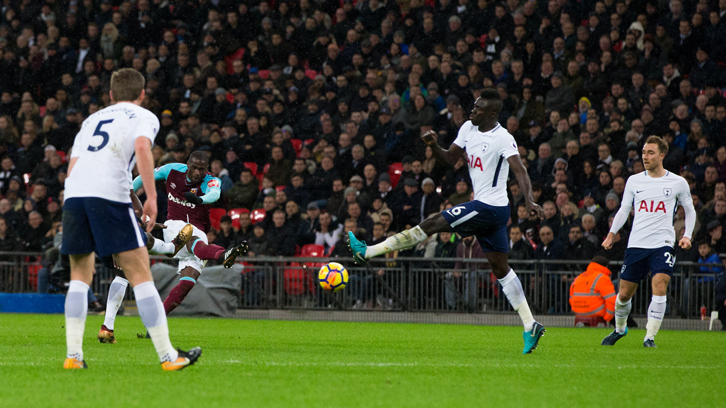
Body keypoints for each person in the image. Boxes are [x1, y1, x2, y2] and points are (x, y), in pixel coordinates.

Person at [348, 91, 546, 354]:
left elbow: (520, 170)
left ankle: (368, 252)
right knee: (501, 269)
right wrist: (433, 146)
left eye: (478, 109)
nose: (472, 111)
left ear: (492, 114)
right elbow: (451, 159)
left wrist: (529, 200)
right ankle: (530, 324)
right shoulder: (467, 128)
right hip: (492, 210)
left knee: (431, 224)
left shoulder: (502, 138)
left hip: (490, 207)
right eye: (473, 106)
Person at [60, 68, 201, 370]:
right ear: (141, 94)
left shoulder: (91, 120)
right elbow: (141, 148)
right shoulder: (144, 116)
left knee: (79, 276)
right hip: (109, 193)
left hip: (74, 194)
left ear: (111, 95)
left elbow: (72, 166)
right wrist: (152, 197)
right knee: (139, 274)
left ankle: (73, 357)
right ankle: (168, 356)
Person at [99, 151, 248, 342]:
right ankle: (222, 254)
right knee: (195, 243)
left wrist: (199, 199)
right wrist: (130, 190)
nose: (197, 172)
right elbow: (146, 177)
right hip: (175, 225)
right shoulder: (172, 170)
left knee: (186, 284)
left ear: (206, 169)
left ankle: (154, 322)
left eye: (201, 169)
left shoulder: (211, 181)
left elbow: (215, 194)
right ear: (188, 164)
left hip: (198, 228)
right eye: (194, 167)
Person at [601, 136, 696, 348]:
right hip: (636, 243)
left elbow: (689, 210)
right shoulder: (634, 181)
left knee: (660, 285)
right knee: (624, 294)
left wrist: (687, 235)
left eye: (650, 152)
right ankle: (619, 329)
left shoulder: (677, 182)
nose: (645, 156)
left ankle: (649, 337)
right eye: (644, 152)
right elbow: (624, 209)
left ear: (662, 155)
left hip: (663, 243)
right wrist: (611, 233)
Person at [569, 256, 616, 324]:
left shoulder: (579, 277)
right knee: (621, 307)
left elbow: (571, 298)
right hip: (595, 311)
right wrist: (608, 317)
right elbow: (611, 300)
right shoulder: (602, 278)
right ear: (605, 266)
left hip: (578, 311)